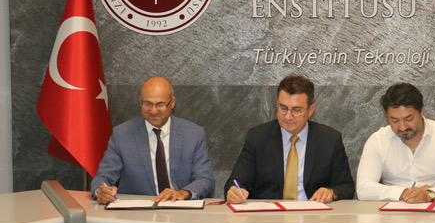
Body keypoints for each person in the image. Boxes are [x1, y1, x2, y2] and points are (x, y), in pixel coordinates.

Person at [224, 75, 355, 204]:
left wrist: (330, 192)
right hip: (270, 213)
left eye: (296, 110)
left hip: (313, 213)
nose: (288, 116)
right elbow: (236, 181)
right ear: (277, 104)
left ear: (310, 110)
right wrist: (234, 191)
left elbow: (347, 186)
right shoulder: (258, 137)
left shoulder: (329, 140)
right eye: (283, 108)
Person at [91, 76, 215, 204]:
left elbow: (205, 179)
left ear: (172, 103)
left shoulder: (193, 134)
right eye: (148, 104)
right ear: (140, 101)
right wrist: (101, 191)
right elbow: (103, 177)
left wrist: (183, 193)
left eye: (160, 104)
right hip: (137, 211)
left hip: (179, 207)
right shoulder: (122, 134)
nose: (153, 111)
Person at [356, 83, 435, 203]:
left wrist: (428, 195)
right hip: (394, 211)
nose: (402, 127)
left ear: (421, 112)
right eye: (394, 120)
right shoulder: (378, 140)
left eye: (408, 119)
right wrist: (404, 193)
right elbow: (363, 188)